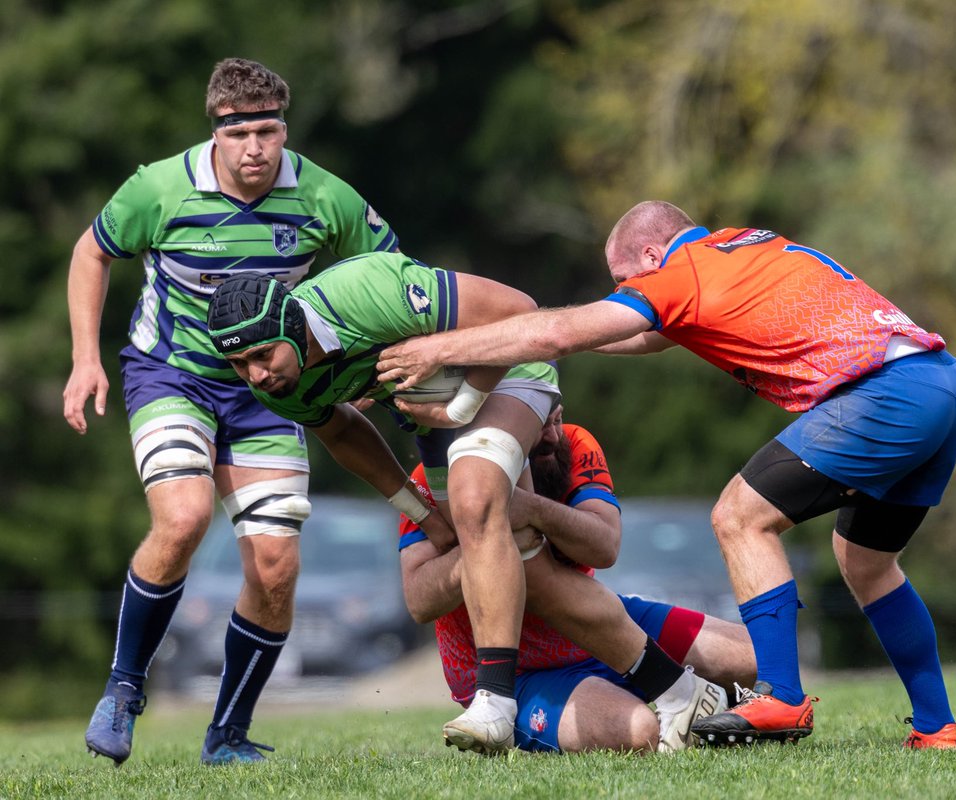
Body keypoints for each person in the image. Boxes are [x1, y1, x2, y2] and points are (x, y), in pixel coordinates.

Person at [377, 201, 956, 750]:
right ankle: (936, 725)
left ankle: (781, 702)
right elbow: (636, 336)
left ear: (648, 257)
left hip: (882, 394)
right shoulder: (743, 247)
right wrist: (563, 345)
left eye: (624, 284)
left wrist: (440, 349)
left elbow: (558, 329)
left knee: (739, 517)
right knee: (867, 563)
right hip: (943, 381)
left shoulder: (676, 275)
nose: (626, 296)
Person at [205, 253, 728, 754]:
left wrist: (461, 397)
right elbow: (345, 434)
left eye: (261, 355)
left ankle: (495, 701)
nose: (255, 375)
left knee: (477, 500)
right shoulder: (277, 381)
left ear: (293, 326)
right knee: (527, 563)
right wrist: (423, 515)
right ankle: (678, 691)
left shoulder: (367, 293)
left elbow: (520, 311)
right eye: (238, 363)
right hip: (436, 413)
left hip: (510, 366)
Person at [63, 58, 403, 766]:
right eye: (240, 132)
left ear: (284, 129)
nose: (256, 148)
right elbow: (91, 253)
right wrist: (85, 358)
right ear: (215, 131)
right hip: (172, 375)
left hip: (269, 389)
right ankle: (124, 690)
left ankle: (228, 735)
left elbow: (389, 271)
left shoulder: (321, 195)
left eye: (269, 131)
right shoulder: (158, 188)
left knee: (275, 566)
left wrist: (366, 363)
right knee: (183, 518)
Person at [400, 403, 756, 753]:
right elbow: (419, 601)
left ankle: (715, 703)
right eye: (538, 426)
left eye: (557, 418)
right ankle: (504, 708)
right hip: (521, 670)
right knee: (639, 733)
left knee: (757, 661)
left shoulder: (573, 443)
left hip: (601, 627)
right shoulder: (434, 481)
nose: (553, 436)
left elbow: (605, 546)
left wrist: (533, 510)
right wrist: (485, 543)